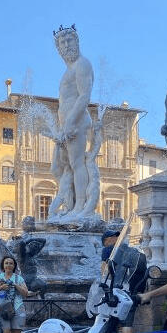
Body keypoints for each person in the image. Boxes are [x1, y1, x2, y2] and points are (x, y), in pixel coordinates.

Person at [54, 25, 93, 217]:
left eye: (70, 40)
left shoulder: (82, 64)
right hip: (66, 125)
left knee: (77, 164)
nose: (66, 45)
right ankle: (70, 205)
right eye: (62, 42)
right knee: (59, 168)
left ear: (77, 42)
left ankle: (80, 208)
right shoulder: (68, 70)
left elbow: (84, 96)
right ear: (58, 48)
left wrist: (70, 122)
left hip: (75, 122)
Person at [100, 229, 132, 333]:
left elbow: (104, 272)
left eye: (117, 236)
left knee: (104, 327)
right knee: (127, 330)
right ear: (106, 239)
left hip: (114, 295)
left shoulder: (107, 251)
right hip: (129, 293)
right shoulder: (129, 250)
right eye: (113, 236)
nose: (116, 238)